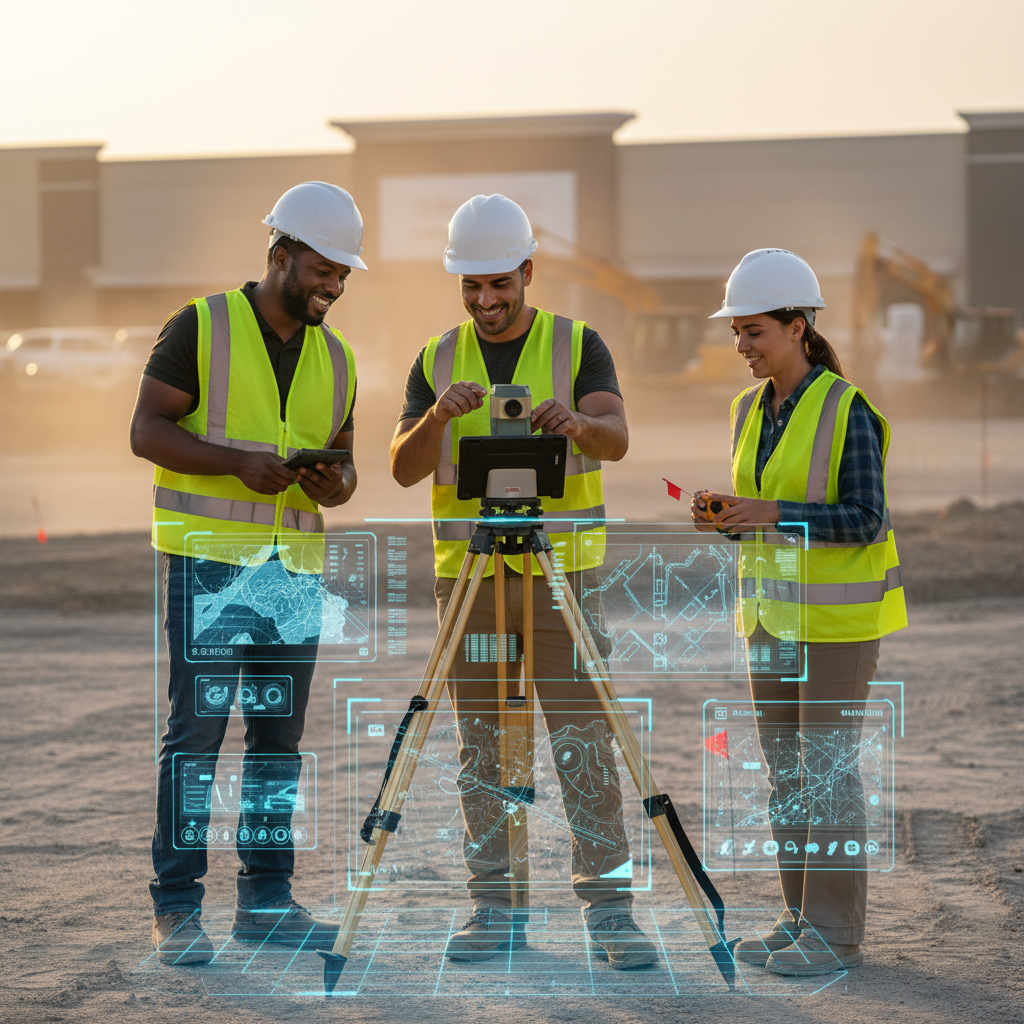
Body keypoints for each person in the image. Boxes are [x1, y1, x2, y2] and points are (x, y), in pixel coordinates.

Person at [390, 194, 657, 970]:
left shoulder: (579, 346)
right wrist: (436, 417)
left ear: (528, 273)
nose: (486, 300)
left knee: (582, 744)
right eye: (471, 285)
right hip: (470, 582)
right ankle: (495, 908)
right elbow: (405, 468)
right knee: (487, 751)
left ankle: (609, 913)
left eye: (500, 283)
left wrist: (575, 423)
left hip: (559, 577)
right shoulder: (435, 359)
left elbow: (617, 438)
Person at [129, 181, 365, 965]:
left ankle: (266, 901)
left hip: (292, 571)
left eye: (343, 274)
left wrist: (336, 484)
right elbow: (147, 430)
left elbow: (347, 464)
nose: (332, 284)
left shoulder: (338, 357)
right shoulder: (201, 326)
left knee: (276, 742)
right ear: (281, 256)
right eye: (322, 268)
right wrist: (238, 466)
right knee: (196, 738)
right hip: (208, 564)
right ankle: (177, 907)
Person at [692, 248, 908, 976]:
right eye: (737, 333)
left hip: (837, 626)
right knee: (787, 775)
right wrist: (730, 518)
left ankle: (835, 932)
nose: (742, 346)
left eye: (753, 331)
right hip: (769, 619)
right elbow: (764, 515)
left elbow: (865, 518)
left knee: (827, 773)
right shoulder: (746, 410)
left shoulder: (846, 408)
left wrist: (773, 511)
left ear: (798, 326)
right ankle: (798, 916)